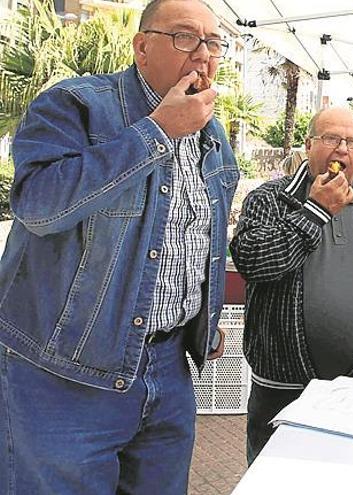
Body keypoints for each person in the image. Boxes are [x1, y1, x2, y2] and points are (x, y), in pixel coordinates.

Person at [0, 1, 238, 492]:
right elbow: (39, 206)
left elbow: (202, 237)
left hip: (168, 369)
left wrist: (205, 318)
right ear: (142, 46)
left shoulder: (212, 135)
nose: (203, 54)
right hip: (62, 373)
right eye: (185, 37)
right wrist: (157, 132)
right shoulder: (76, 105)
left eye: (213, 42)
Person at [230, 106, 353, 464]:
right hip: (282, 389)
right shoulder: (269, 199)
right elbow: (255, 263)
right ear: (308, 146)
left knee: (342, 478)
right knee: (275, 480)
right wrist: (316, 210)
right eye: (331, 138)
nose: (342, 150)